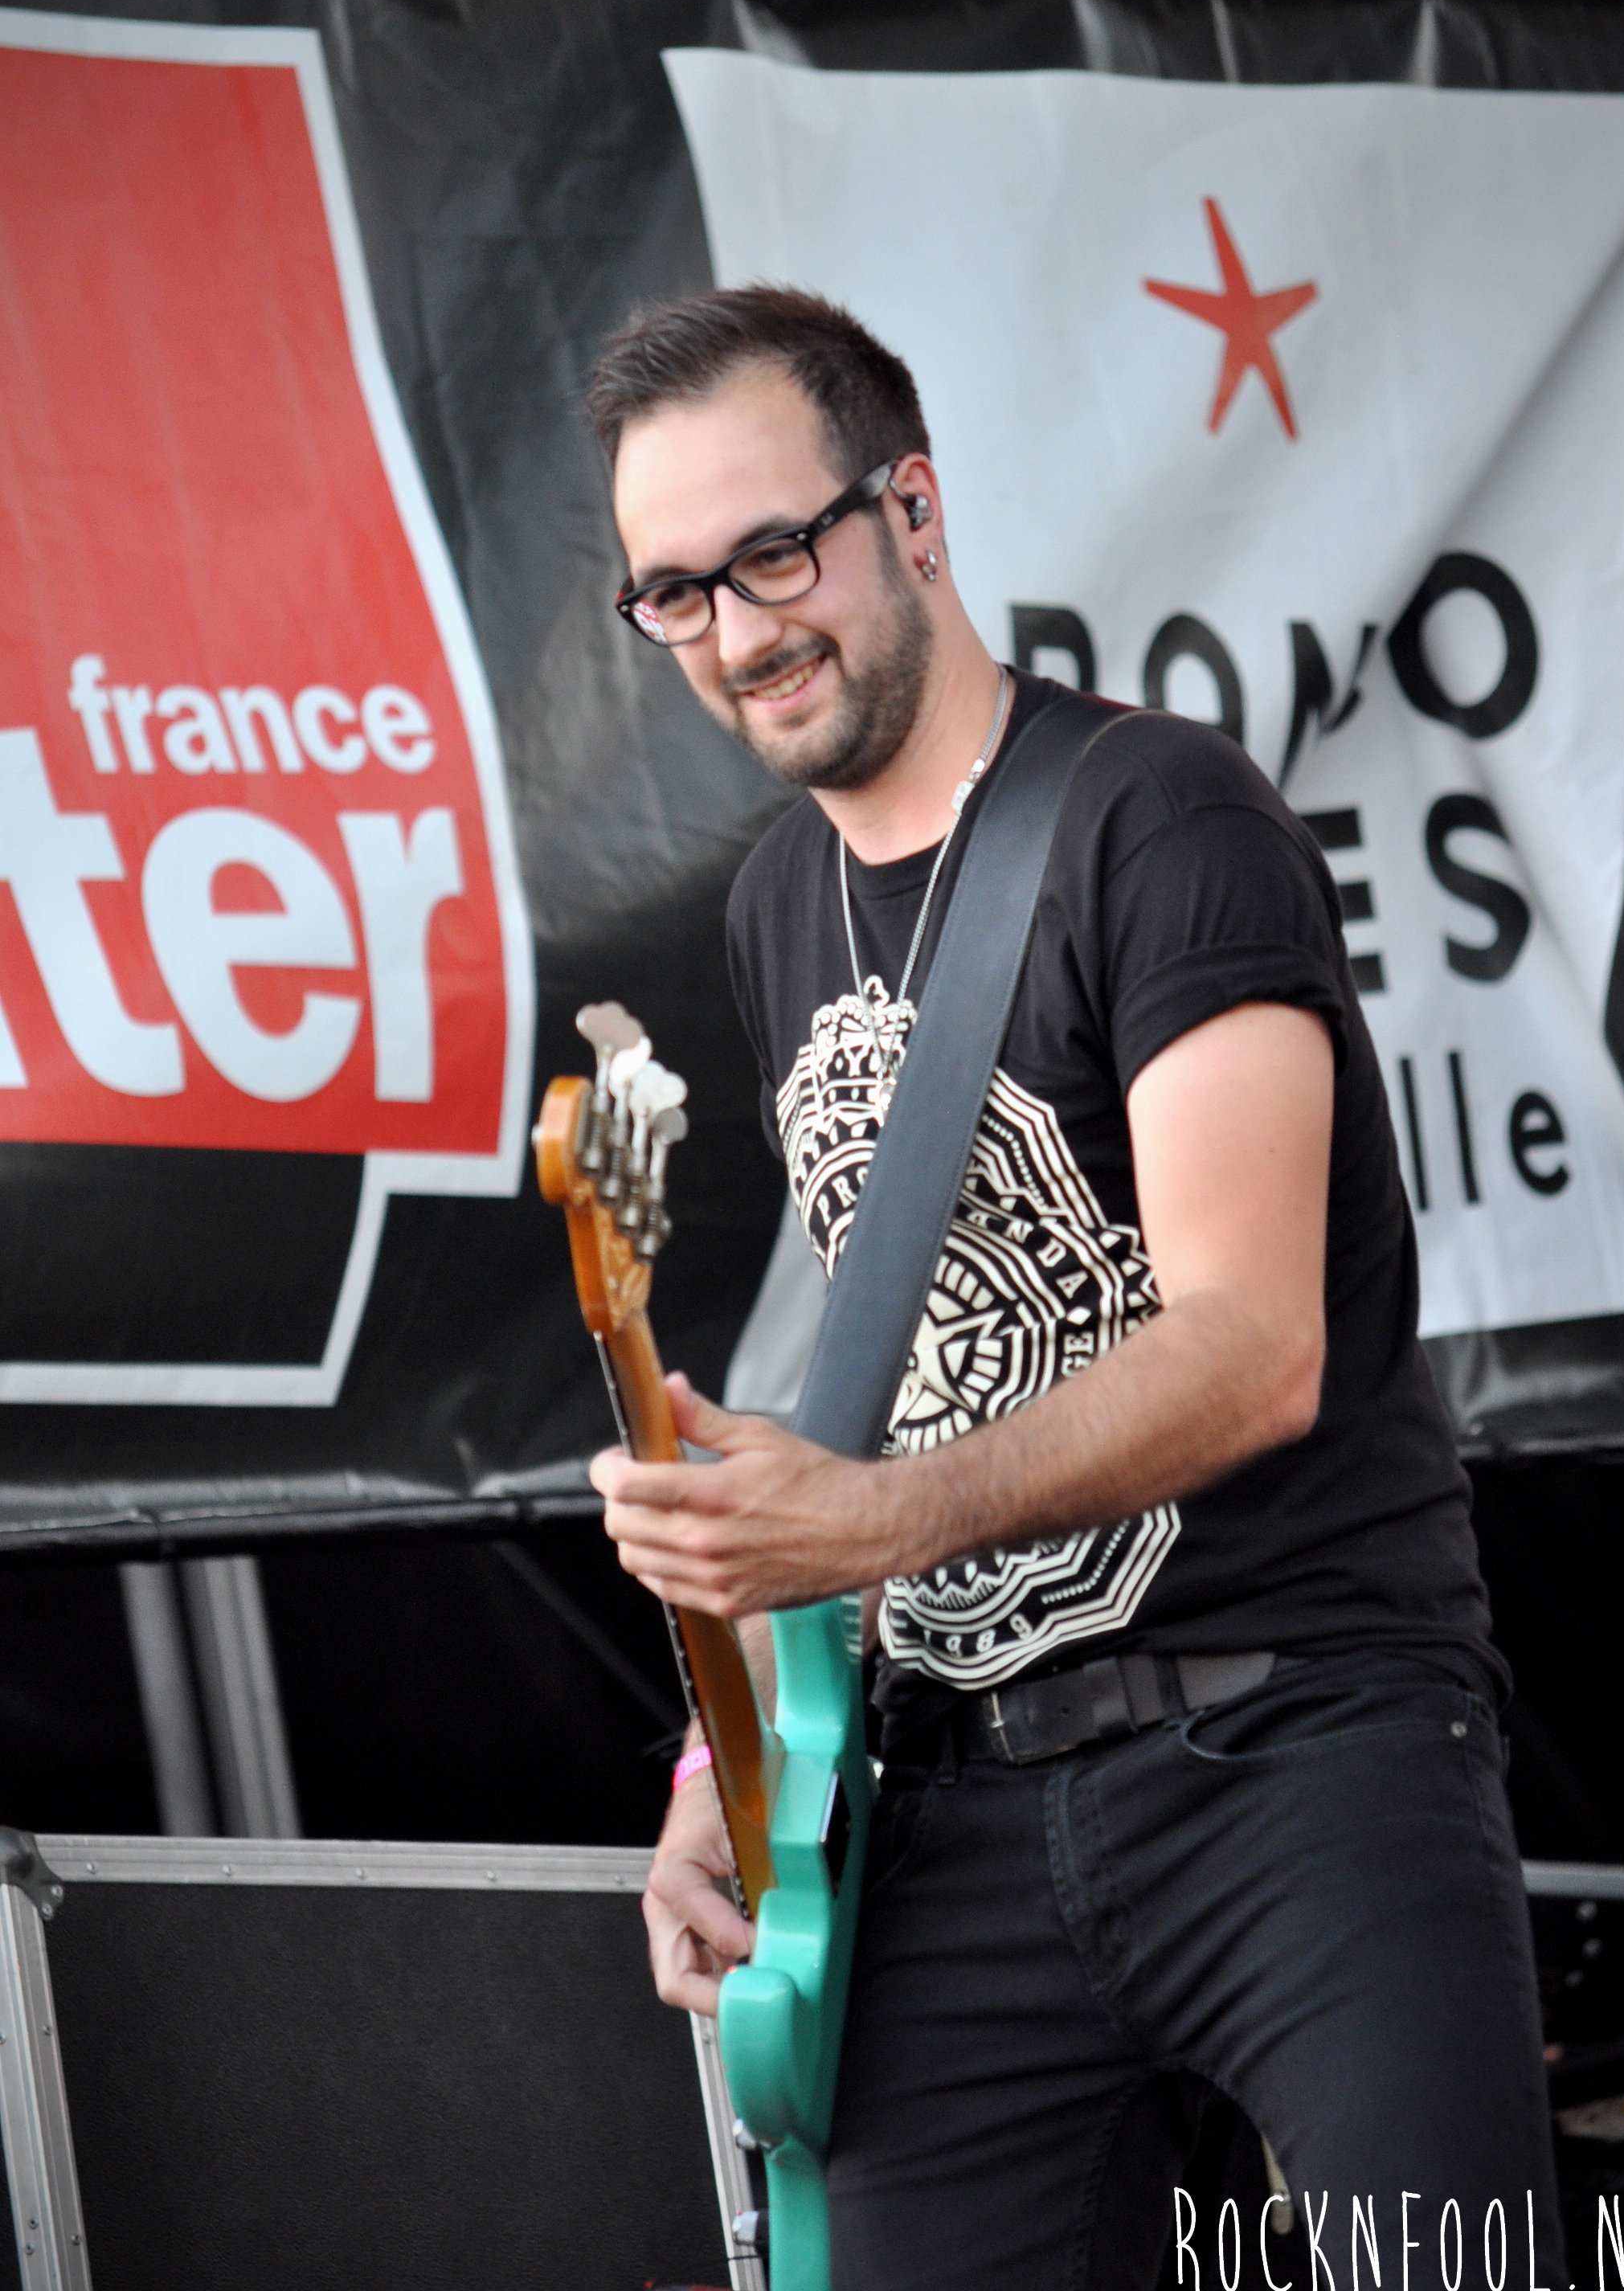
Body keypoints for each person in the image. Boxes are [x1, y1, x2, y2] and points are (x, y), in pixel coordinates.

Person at [585, 284, 1563, 2291]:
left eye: (775, 554)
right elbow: (910, 1376)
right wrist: (722, 1775)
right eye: (674, 593)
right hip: (959, 1798)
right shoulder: (775, 908)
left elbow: (1253, 1347)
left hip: (1296, 1743)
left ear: (913, 511)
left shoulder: (1160, 817)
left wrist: (865, 1520)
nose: (738, 633)